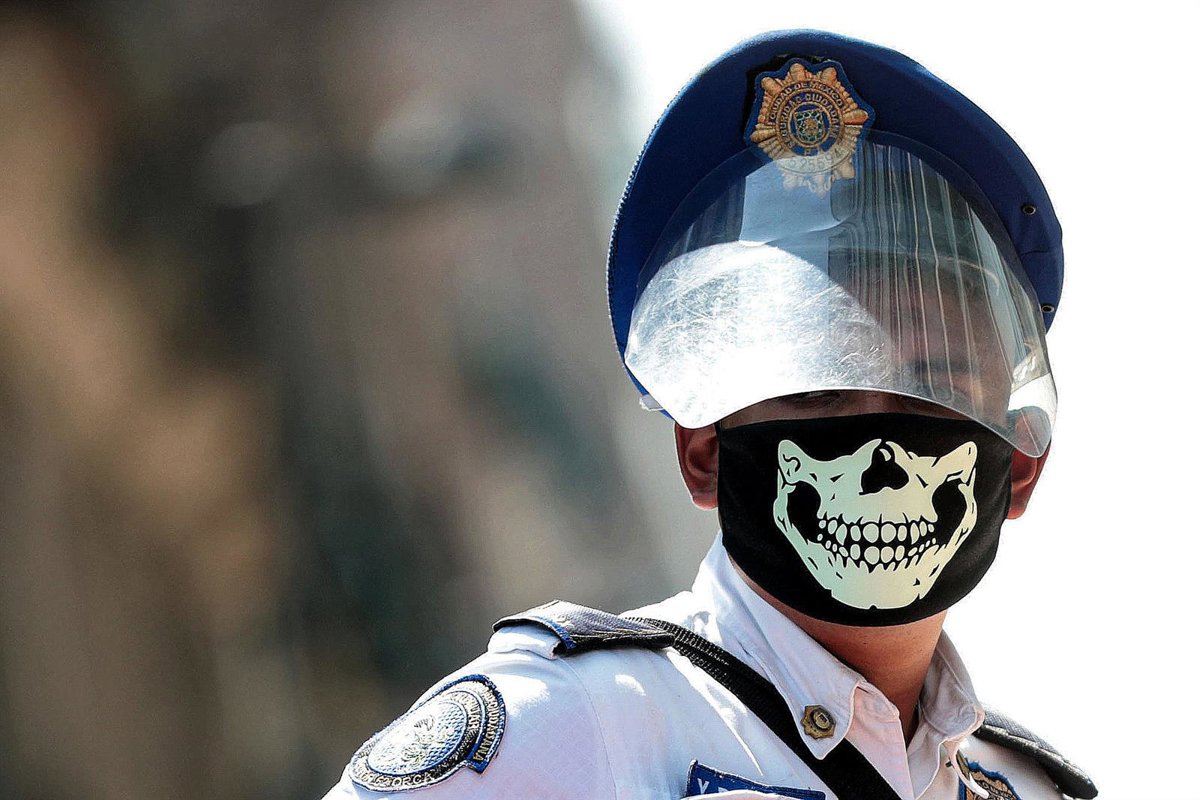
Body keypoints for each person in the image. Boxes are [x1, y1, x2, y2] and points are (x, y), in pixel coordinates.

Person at [322, 30, 1097, 800]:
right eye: (816, 386)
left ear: (1022, 465)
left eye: (936, 385)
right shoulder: (563, 729)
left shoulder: (1035, 791)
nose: (880, 444)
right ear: (702, 451)